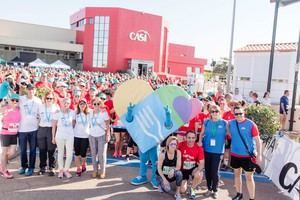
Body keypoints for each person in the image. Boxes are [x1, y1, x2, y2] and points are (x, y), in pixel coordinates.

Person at [229, 106, 262, 200]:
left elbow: (257, 140)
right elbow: (229, 133)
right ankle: (239, 194)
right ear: (234, 114)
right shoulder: (231, 123)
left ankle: (252, 198)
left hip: (247, 156)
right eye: (236, 114)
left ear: (244, 113)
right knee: (237, 175)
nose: (239, 115)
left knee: (249, 178)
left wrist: (259, 155)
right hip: (235, 154)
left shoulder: (251, 124)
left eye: (240, 113)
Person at [199, 105, 227, 199]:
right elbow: (202, 133)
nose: (215, 113)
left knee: (214, 171)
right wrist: (199, 141)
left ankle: (215, 190)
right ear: (210, 113)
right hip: (207, 150)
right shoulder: (206, 122)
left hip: (218, 151)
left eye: (216, 111)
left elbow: (230, 134)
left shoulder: (224, 123)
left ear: (219, 112)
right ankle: (209, 188)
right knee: (207, 171)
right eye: (213, 111)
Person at [18, 84, 41, 176]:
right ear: (27, 90)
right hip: (22, 129)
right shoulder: (21, 98)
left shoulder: (38, 101)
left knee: (32, 150)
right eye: (29, 89)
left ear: (35, 90)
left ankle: (31, 168)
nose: (31, 91)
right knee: (22, 150)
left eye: (33, 89)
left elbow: (40, 114)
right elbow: (11, 97)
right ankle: (24, 166)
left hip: (34, 129)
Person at [52, 97, 75, 179]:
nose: (66, 104)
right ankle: (61, 170)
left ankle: (66, 170)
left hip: (69, 136)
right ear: (61, 103)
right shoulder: (57, 113)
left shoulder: (73, 112)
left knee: (69, 154)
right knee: (60, 153)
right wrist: (53, 137)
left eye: (68, 103)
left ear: (70, 104)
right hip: (59, 136)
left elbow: (73, 123)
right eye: (64, 102)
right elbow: (54, 126)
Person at [37, 91, 59, 176]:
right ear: (45, 99)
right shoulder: (40, 107)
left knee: (51, 150)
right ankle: (42, 167)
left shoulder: (56, 108)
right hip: (42, 128)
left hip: (51, 129)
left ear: (53, 99)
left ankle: (52, 167)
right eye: (47, 98)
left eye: (51, 98)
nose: (49, 100)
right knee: (42, 150)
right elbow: (38, 118)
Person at [178, 131, 204, 200]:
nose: (191, 140)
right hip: (182, 169)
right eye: (189, 137)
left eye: (193, 138)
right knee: (182, 190)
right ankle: (183, 182)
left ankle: (192, 189)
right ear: (185, 138)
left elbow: (202, 163)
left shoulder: (198, 148)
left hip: (192, 168)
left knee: (199, 174)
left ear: (195, 138)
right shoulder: (180, 145)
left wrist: (198, 171)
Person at [0, 93, 21, 178]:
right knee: (4, 153)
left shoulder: (19, 109)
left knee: (12, 152)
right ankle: (4, 170)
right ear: (10, 100)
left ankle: (2, 163)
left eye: (16, 100)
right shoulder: (5, 108)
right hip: (5, 133)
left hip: (14, 134)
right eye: (13, 100)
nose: (15, 101)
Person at [89, 97, 110, 178]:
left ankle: (102, 171)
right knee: (93, 154)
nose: (96, 105)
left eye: (98, 103)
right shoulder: (89, 112)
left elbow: (108, 125)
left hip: (102, 135)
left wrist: (108, 135)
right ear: (92, 104)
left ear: (101, 104)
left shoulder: (104, 113)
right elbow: (79, 109)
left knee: (101, 154)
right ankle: (95, 170)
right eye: (95, 104)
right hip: (92, 135)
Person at [74, 98, 90, 177]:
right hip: (76, 135)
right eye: (81, 104)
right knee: (77, 153)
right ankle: (78, 168)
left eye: (84, 104)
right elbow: (73, 123)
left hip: (85, 136)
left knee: (83, 154)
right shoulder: (75, 113)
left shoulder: (89, 113)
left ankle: (83, 164)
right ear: (78, 105)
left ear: (86, 105)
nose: (82, 105)